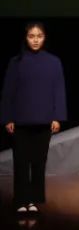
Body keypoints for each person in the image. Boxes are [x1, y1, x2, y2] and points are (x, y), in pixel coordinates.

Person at [1, 22, 66, 216]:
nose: (35, 40)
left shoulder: (54, 62)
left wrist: (57, 117)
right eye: (31, 36)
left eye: (39, 36)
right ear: (26, 38)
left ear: (44, 38)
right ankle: (21, 199)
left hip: (44, 120)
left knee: (39, 161)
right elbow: (8, 92)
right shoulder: (16, 62)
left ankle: (35, 199)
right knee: (21, 161)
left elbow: (58, 90)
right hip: (20, 120)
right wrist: (7, 118)